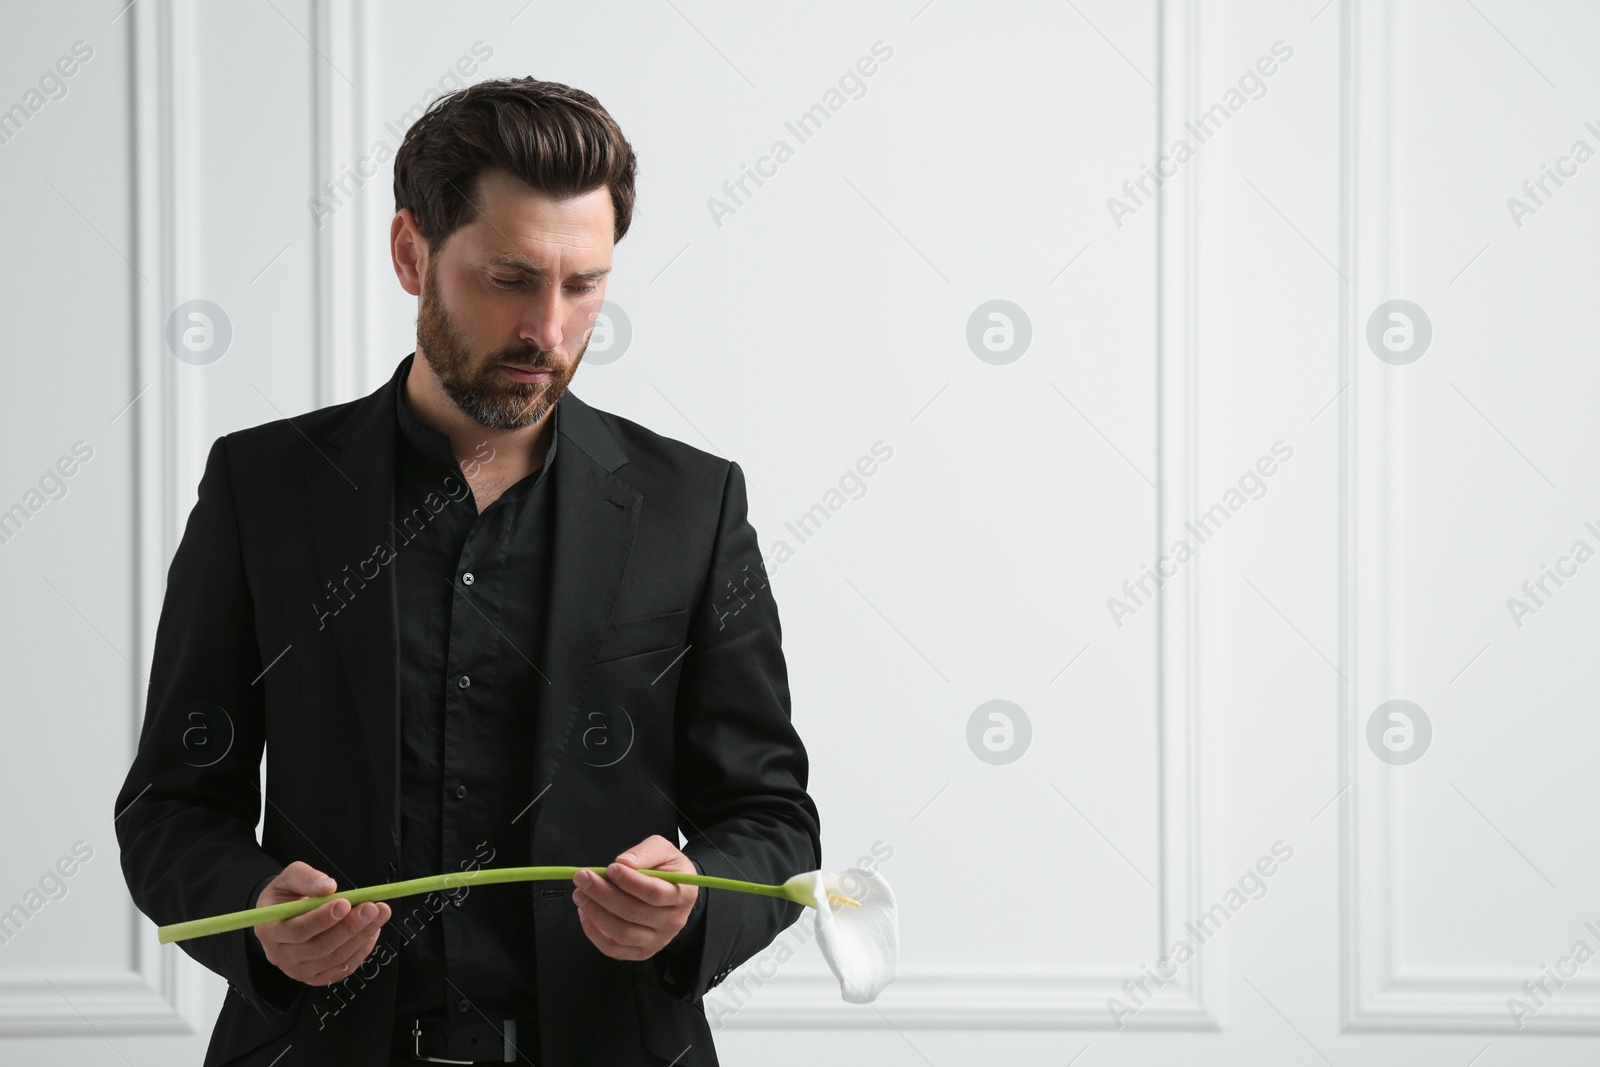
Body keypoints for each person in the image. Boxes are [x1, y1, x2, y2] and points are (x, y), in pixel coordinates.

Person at [113, 76, 821, 1067]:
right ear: (410, 252)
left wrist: (694, 903)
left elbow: (770, 816)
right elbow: (172, 806)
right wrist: (251, 911)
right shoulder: (261, 488)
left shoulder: (692, 505)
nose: (549, 329)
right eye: (510, 277)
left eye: (584, 284)